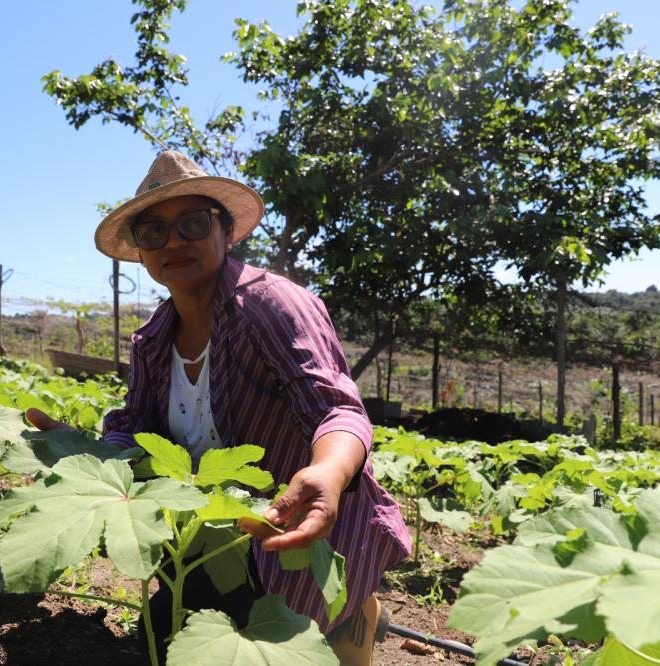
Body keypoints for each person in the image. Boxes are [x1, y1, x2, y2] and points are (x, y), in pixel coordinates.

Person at [27, 150, 410, 664]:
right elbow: (135, 427)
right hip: (211, 538)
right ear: (140, 250)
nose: (173, 242)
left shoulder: (272, 306)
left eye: (192, 223)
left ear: (226, 232)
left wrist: (329, 471)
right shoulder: (152, 338)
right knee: (157, 639)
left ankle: (352, 613)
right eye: (153, 232)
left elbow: (335, 409)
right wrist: (84, 458)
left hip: (289, 526)